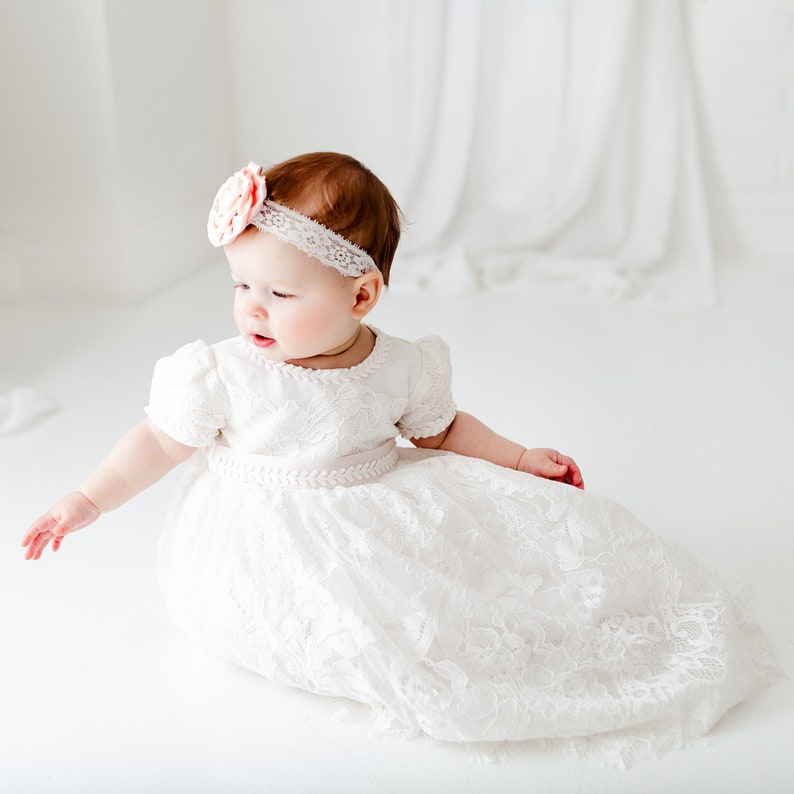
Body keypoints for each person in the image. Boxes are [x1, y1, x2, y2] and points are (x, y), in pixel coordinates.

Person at [22, 153, 777, 764]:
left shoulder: (399, 365)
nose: (251, 307)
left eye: (280, 292)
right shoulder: (226, 371)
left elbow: (444, 433)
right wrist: (84, 501)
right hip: (264, 537)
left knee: (471, 587)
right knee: (343, 627)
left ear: (361, 295)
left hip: (376, 507)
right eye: (240, 284)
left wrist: (518, 456)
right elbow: (159, 439)